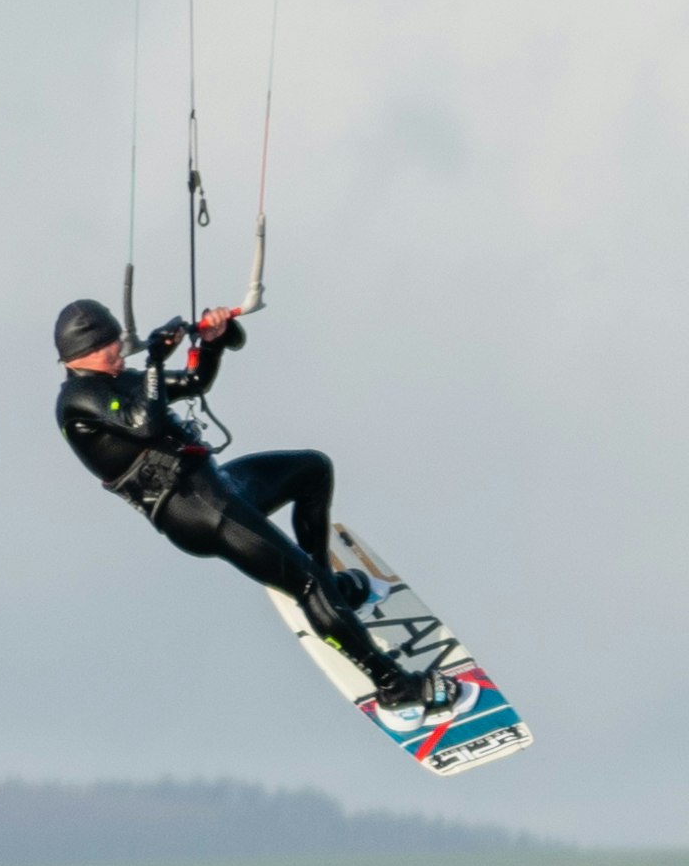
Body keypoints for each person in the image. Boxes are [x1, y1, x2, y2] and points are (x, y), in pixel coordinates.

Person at [52, 297, 461, 703]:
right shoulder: (77, 400)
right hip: (198, 513)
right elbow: (145, 422)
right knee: (306, 585)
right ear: (86, 352)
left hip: (220, 485)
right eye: (114, 344)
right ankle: (396, 687)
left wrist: (214, 340)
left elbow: (194, 384)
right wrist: (156, 360)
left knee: (313, 471)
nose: (122, 349)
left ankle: (331, 598)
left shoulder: (114, 381)